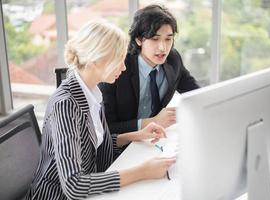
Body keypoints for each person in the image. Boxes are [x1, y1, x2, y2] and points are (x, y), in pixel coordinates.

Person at [26, 19, 175, 200]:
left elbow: (95, 146)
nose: (124, 67)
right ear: (96, 59)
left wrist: (136, 135)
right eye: (119, 59)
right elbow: (74, 185)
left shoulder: (93, 92)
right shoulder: (65, 105)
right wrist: (142, 171)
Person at [101, 4, 200, 135]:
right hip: (120, 148)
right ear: (139, 39)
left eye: (168, 39)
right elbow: (106, 128)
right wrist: (152, 122)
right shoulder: (117, 68)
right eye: (155, 39)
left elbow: (197, 95)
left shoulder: (173, 59)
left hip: (153, 140)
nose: (163, 48)